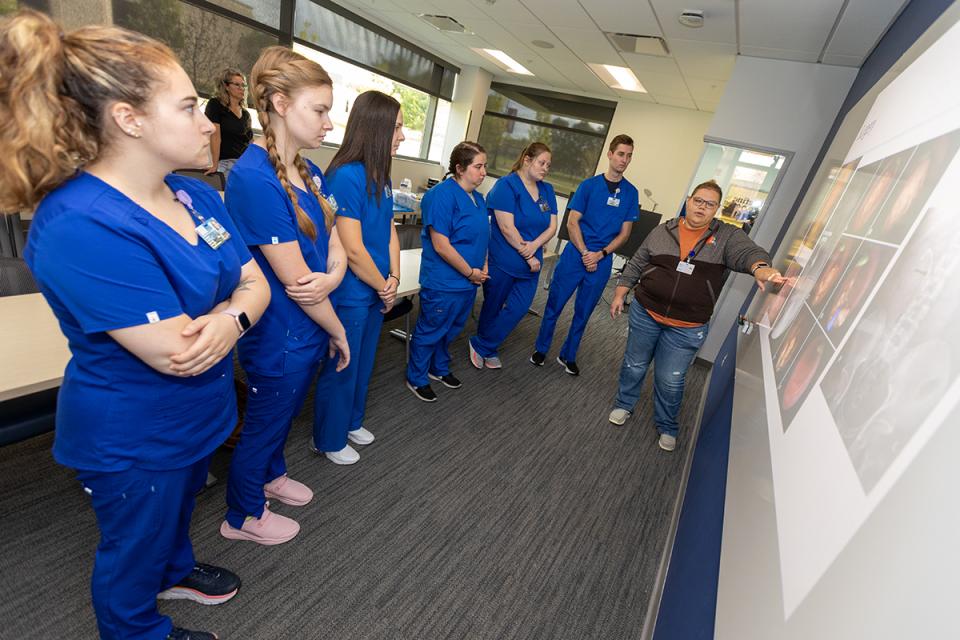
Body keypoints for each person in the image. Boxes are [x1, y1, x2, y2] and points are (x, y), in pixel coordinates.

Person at [1, 11, 271, 640]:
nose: (209, 121)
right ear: (129, 118)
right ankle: (135, 628)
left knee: (174, 515)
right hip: (133, 432)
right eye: (187, 107)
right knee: (132, 547)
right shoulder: (80, 222)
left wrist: (227, 317)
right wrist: (236, 312)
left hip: (195, 415)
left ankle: (174, 567)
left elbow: (255, 282)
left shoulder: (194, 194)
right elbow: (178, 352)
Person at [221, 47, 350, 545]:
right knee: (263, 423)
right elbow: (297, 282)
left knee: (281, 416)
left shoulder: (310, 172)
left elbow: (334, 240)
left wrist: (334, 278)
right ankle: (242, 515)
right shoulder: (255, 178)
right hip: (282, 333)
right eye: (319, 110)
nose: (327, 121)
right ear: (279, 103)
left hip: (310, 324)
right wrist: (339, 329)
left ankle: (271, 477)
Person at [608, 180, 785, 451]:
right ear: (689, 201)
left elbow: (748, 253)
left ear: (716, 209)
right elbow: (636, 263)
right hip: (646, 313)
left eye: (710, 204)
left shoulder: (726, 236)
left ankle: (667, 425)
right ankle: (624, 404)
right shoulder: (662, 230)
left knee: (671, 379)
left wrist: (761, 268)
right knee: (634, 365)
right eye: (698, 201)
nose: (702, 207)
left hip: (686, 326)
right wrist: (621, 293)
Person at [312, 90, 403, 465]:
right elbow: (351, 249)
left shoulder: (379, 175)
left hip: (376, 288)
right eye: (396, 128)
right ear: (378, 128)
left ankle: (350, 421)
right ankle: (328, 438)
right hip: (353, 289)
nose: (401, 136)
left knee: (364, 363)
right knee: (343, 364)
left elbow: (390, 230)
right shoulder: (347, 176)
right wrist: (383, 286)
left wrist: (394, 277)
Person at [531, 134, 639, 375]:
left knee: (584, 311)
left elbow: (625, 234)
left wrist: (599, 254)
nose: (624, 159)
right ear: (610, 154)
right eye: (621, 154)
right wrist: (585, 253)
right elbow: (572, 222)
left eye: (629, 156)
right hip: (575, 255)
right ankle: (541, 348)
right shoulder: (588, 186)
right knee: (554, 305)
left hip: (601, 260)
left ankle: (568, 355)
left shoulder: (630, 193)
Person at [405, 141, 490, 402]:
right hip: (445, 281)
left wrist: (483, 265)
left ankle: (438, 368)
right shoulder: (440, 196)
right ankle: (416, 376)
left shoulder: (478, 198)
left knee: (451, 329)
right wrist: (470, 272)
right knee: (431, 329)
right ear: (460, 168)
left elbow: (482, 235)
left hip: (468, 282)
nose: (484, 172)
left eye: (485, 166)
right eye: (478, 166)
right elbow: (442, 245)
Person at [468, 142, 557, 369]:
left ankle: (482, 344)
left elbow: (552, 226)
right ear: (527, 159)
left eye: (548, 164)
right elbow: (507, 227)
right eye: (541, 162)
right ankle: (489, 348)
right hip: (504, 260)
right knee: (493, 306)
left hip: (531, 264)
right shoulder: (506, 186)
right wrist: (528, 254)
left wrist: (534, 246)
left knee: (518, 308)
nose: (546, 168)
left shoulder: (546, 190)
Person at [204, 67, 253, 178]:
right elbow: (215, 136)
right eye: (237, 85)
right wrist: (215, 165)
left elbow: (250, 143)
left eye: (243, 85)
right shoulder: (215, 104)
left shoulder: (246, 114)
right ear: (226, 86)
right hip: (225, 164)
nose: (242, 89)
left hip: (244, 166)